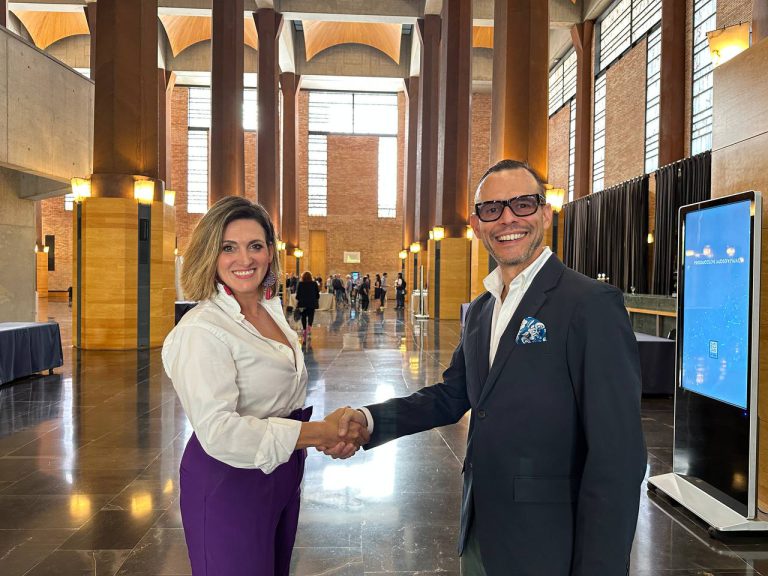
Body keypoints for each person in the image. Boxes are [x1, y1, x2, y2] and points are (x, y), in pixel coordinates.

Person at [328, 160, 647, 576]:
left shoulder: (589, 304)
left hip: (551, 544)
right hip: (480, 530)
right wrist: (368, 420)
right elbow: (451, 395)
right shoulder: (481, 310)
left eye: (523, 204)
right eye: (493, 209)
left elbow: (618, 456)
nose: (508, 218)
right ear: (478, 225)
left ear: (546, 213)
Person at [161, 197, 368, 576]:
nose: (245, 259)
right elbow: (220, 432)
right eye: (229, 247)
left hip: (281, 472)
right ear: (211, 253)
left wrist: (316, 437)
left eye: (255, 246)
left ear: (270, 253)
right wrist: (320, 432)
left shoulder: (269, 310)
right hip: (229, 480)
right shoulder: (201, 330)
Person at [296, 270, 320, 339]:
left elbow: (298, 295)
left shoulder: (300, 283)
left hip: (302, 303)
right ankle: (309, 327)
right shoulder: (314, 283)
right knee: (311, 315)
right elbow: (317, 295)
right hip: (312, 303)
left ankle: (304, 329)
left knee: (303, 316)